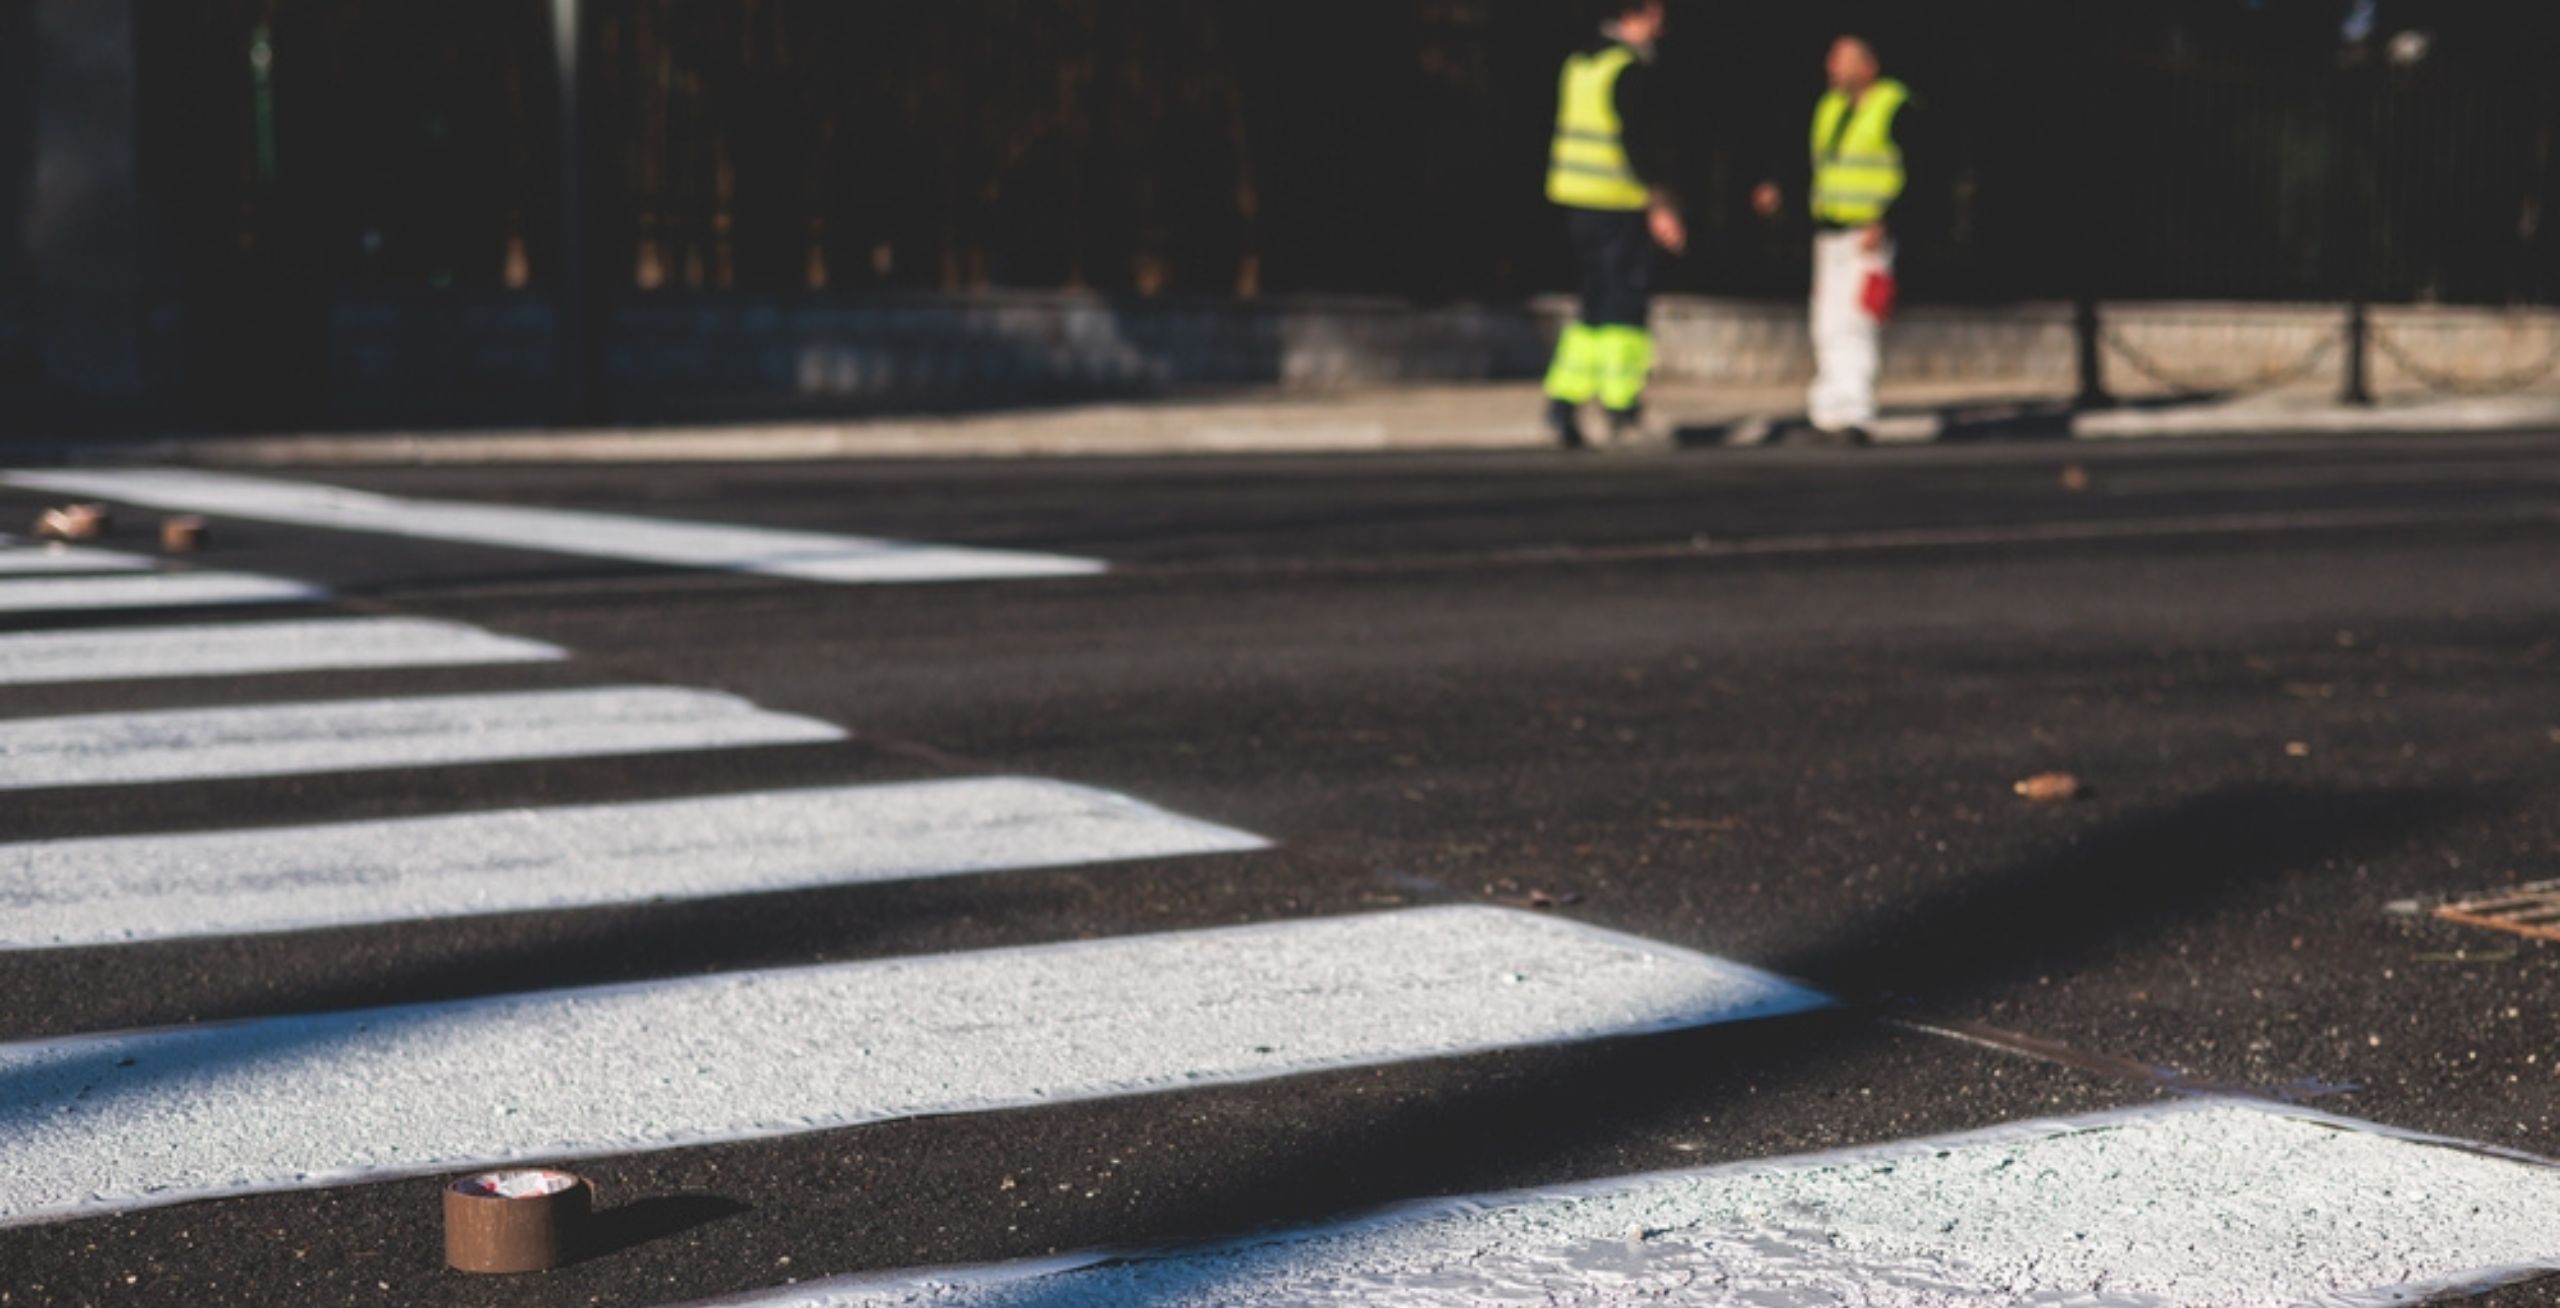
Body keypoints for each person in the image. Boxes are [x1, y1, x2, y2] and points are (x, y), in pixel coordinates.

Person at [1543, 0, 1686, 450]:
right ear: (1633, 15)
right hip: (1619, 201)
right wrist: (1660, 202)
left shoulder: (1581, 62)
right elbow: (1639, 142)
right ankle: (1622, 410)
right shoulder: (1628, 68)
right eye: (1655, 18)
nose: (1660, 29)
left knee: (1593, 308)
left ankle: (1563, 402)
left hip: (1577, 200)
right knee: (1624, 307)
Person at [1753, 35, 1910, 445]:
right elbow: (1819, 167)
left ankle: (1855, 412)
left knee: (1857, 322)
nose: (1832, 68)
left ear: (1869, 66)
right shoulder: (1830, 108)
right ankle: (1827, 413)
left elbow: (1920, 172)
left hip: (1869, 235)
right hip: (1831, 234)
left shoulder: (1895, 106)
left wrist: (1889, 220)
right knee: (1826, 324)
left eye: (1842, 61)